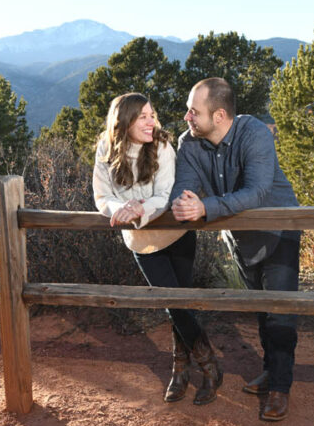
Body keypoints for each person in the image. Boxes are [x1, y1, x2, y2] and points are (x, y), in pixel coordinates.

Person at [170, 77, 300, 422]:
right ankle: (271, 370)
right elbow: (182, 190)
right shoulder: (189, 144)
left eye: (193, 112)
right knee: (260, 307)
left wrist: (205, 207)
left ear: (220, 116)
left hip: (279, 231)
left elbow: (257, 192)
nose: (186, 117)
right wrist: (182, 204)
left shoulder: (253, 133)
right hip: (240, 238)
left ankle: (280, 388)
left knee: (280, 311)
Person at [92, 92, 223, 405]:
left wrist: (138, 209)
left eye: (152, 115)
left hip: (177, 236)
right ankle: (207, 366)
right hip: (142, 242)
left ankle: (188, 369)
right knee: (173, 303)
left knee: (179, 304)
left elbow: (165, 194)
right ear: (124, 121)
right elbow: (101, 196)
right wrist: (118, 209)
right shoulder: (105, 148)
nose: (151, 122)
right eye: (143, 117)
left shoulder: (163, 145)